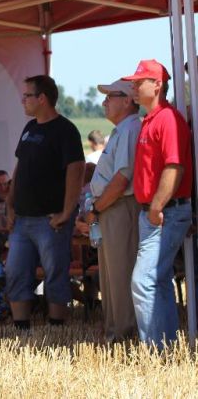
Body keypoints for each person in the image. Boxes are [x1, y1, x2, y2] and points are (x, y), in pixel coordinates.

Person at [5, 75, 85, 329]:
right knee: (16, 272)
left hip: (50, 219)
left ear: (42, 98)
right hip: (22, 218)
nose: (22, 101)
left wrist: (67, 211)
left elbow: (77, 170)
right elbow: (20, 168)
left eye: (27, 95)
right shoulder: (29, 128)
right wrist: (9, 202)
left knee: (55, 274)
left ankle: (56, 326)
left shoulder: (66, 130)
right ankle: (21, 327)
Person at [123, 60, 192, 349]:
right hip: (161, 210)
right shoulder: (155, 119)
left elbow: (174, 166)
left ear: (158, 85)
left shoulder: (167, 119)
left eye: (140, 82)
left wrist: (156, 206)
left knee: (145, 280)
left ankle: (155, 349)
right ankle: (164, 348)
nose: (134, 87)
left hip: (164, 211)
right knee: (157, 280)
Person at [82, 79, 142, 343]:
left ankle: (122, 334)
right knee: (110, 276)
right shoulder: (122, 129)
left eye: (110, 96)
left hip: (118, 207)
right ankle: (114, 331)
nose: (105, 102)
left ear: (128, 100)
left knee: (120, 274)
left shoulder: (130, 129)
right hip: (110, 207)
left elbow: (122, 178)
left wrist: (96, 207)